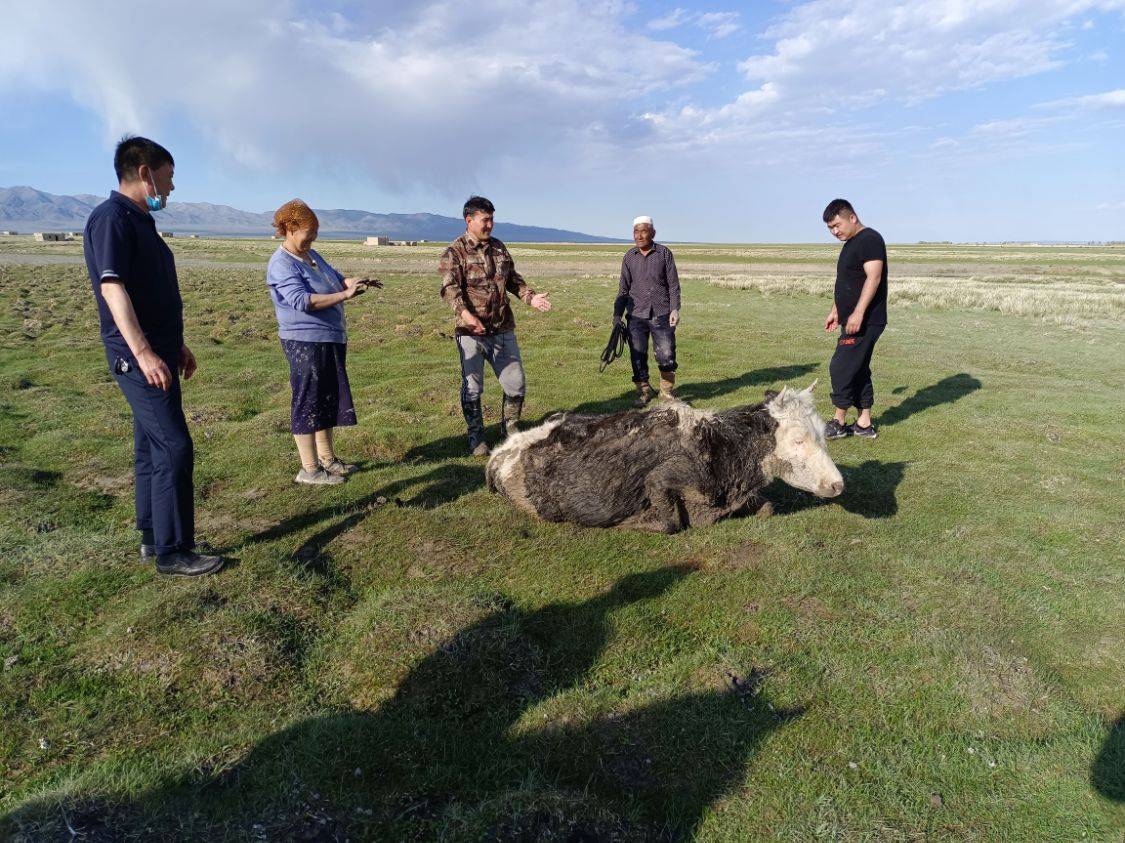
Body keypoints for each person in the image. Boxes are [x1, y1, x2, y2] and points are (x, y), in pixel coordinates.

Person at [83, 136, 222, 577]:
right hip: (137, 358)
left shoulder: (140, 221)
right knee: (175, 446)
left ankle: (152, 536)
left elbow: (149, 292)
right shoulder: (111, 220)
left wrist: (173, 345)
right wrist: (143, 352)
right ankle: (174, 550)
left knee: (150, 446)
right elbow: (112, 287)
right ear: (145, 173)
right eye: (169, 176)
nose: (172, 187)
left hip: (159, 351)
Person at [266, 200, 381, 484]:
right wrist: (344, 296)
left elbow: (337, 279)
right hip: (305, 342)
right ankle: (309, 469)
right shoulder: (281, 263)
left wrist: (355, 282)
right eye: (309, 231)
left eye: (316, 231)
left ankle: (328, 460)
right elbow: (302, 301)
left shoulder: (311, 255)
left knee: (326, 399)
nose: (313, 237)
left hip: (329, 339)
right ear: (290, 229)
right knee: (307, 400)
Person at [439, 196, 552, 456]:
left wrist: (530, 297)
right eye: (485, 219)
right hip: (471, 333)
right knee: (473, 387)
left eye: (492, 219)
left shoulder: (499, 248)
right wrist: (466, 315)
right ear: (470, 220)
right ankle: (476, 436)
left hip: (502, 329)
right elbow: (449, 289)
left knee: (516, 383)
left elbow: (513, 280)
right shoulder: (454, 252)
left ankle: (510, 428)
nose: (490, 224)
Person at [821, 198, 888, 440]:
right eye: (830, 228)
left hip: (866, 320)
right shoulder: (851, 244)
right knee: (858, 369)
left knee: (840, 367)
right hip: (852, 318)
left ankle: (838, 422)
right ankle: (863, 424)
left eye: (837, 225)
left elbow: (874, 277)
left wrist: (858, 312)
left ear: (852, 217)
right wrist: (836, 310)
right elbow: (847, 282)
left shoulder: (870, 239)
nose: (834, 231)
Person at [614, 216, 681, 407]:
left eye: (644, 231)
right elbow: (623, 290)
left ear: (653, 233)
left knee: (666, 354)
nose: (640, 235)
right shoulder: (629, 257)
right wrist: (617, 316)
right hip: (635, 315)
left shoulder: (664, 254)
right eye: (636, 231)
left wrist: (674, 309)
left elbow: (674, 285)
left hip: (662, 313)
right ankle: (643, 391)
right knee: (637, 355)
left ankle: (666, 391)